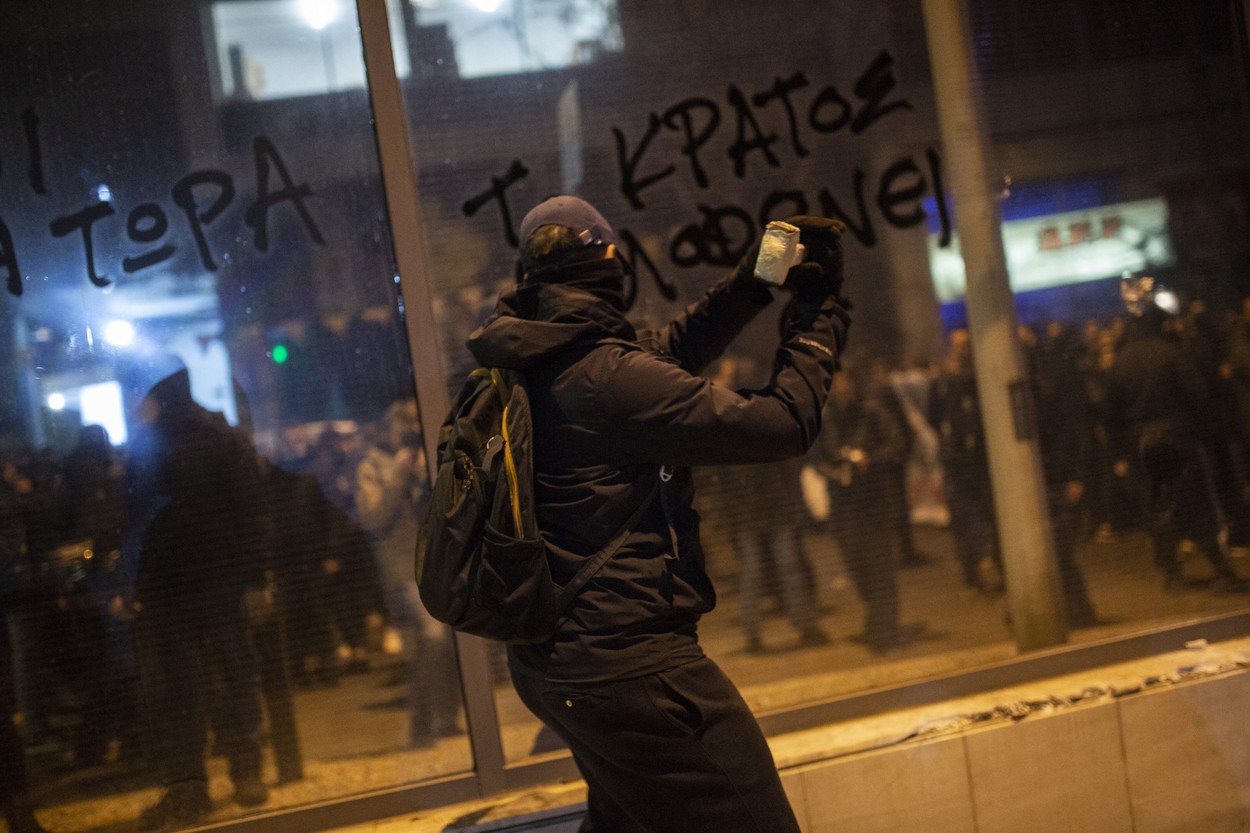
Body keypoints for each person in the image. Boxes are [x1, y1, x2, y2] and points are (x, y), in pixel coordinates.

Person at [463, 195, 849, 833]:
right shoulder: (607, 377)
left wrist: (755, 281)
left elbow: (668, 351)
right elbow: (782, 425)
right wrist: (818, 315)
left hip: (553, 664)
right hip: (635, 674)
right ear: (610, 263)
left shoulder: (523, 363)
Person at [131, 369, 273, 829]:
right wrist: (253, 576)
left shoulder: (156, 445)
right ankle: (244, 772)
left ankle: (195, 787)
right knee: (233, 676)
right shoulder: (221, 438)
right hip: (217, 579)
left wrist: (135, 582)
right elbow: (251, 510)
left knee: (185, 689)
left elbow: (135, 517)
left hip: (178, 584)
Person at [1105, 279, 1245, 593]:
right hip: (1178, 436)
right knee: (1196, 504)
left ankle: (1171, 573)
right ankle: (1221, 568)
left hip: (1142, 441)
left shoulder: (1121, 362)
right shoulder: (1172, 354)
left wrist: (1119, 454)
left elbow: (1111, 411)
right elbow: (1197, 395)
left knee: (1159, 508)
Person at [356, 400, 461, 747]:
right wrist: (400, 473)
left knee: (439, 642)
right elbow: (372, 518)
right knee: (431, 638)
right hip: (403, 567)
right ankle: (423, 721)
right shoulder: (371, 466)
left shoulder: (428, 458)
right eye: (405, 426)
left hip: (438, 561)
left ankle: (442, 719)